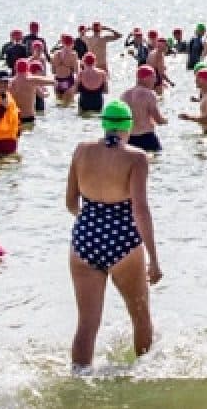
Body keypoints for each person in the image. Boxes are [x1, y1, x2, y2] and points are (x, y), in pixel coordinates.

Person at [64, 99, 161, 372]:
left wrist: (92, 222)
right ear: (128, 127)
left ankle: (79, 380)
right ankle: (144, 374)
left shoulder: (81, 151)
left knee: (86, 323)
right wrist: (153, 258)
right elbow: (140, 210)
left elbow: (71, 202)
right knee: (140, 316)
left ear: (104, 124)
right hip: (123, 241)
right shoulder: (136, 157)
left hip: (84, 239)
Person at [120, 67, 168, 152]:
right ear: (146, 78)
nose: (155, 81)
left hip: (129, 139)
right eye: (154, 77)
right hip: (147, 138)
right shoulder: (149, 94)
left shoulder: (124, 95)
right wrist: (166, 120)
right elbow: (158, 120)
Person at [178, 69, 207, 134]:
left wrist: (189, 117)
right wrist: (197, 100)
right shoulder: (206, 93)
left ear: (205, 80)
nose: (195, 81)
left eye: (197, 79)